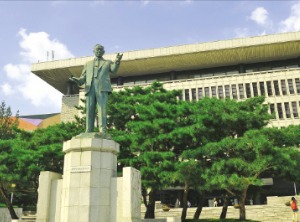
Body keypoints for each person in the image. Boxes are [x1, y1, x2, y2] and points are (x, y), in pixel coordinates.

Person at [70, 44, 123, 137]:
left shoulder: (107, 62)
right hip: (90, 87)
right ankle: (88, 130)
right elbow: (83, 77)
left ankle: (102, 130)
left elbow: (114, 70)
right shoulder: (88, 64)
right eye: (97, 49)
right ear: (94, 51)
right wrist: (77, 80)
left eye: (100, 50)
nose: (98, 51)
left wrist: (117, 61)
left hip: (102, 87)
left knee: (102, 109)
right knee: (89, 109)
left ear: (103, 52)